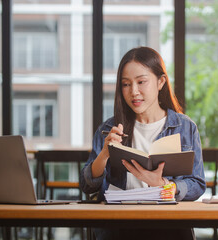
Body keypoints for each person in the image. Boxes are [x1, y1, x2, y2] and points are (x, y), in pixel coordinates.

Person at [80, 46, 206, 240]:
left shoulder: (184, 127)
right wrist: (105, 154)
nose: (134, 92)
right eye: (126, 84)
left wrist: (164, 185)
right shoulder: (108, 128)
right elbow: (87, 186)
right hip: (119, 227)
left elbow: (197, 184)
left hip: (168, 227)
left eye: (141, 82)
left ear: (160, 82)